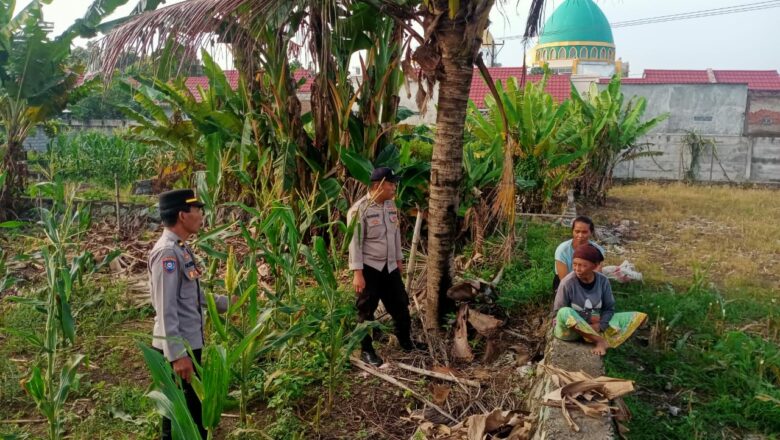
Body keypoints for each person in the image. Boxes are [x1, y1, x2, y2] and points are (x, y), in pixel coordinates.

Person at [148, 189, 229, 440]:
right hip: (179, 349)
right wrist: (177, 355)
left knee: (190, 417)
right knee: (181, 422)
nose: (201, 215)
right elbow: (166, 307)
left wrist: (225, 303)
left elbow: (191, 295)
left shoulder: (180, 248)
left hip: (188, 345)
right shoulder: (167, 253)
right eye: (197, 210)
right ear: (183, 215)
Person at [347, 167, 425, 367]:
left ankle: (406, 342)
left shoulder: (390, 206)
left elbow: (395, 234)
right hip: (369, 268)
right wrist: (357, 273)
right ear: (378, 186)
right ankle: (367, 350)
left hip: (389, 267)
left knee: (400, 304)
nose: (394, 187)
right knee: (366, 311)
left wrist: (398, 260)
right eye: (391, 184)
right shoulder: (359, 210)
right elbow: (354, 242)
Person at [552, 244, 647, 356]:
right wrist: (587, 318)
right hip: (572, 331)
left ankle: (593, 336)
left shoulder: (603, 281)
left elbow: (609, 309)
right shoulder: (567, 283)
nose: (577, 269)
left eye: (583, 265)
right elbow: (558, 312)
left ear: (595, 265)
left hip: (595, 326)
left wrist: (601, 325)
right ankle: (600, 341)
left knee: (638, 317)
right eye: (575, 264)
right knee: (564, 312)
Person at [553, 216, 606, 292]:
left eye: (584, 232)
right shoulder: (562, 250)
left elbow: (597, 272)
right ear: (572, 231)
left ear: (591, 232)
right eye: (577, 231)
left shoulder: (597, 250)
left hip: (588, 280)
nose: (580, 235)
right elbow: (563, 279)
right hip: (566, 282)